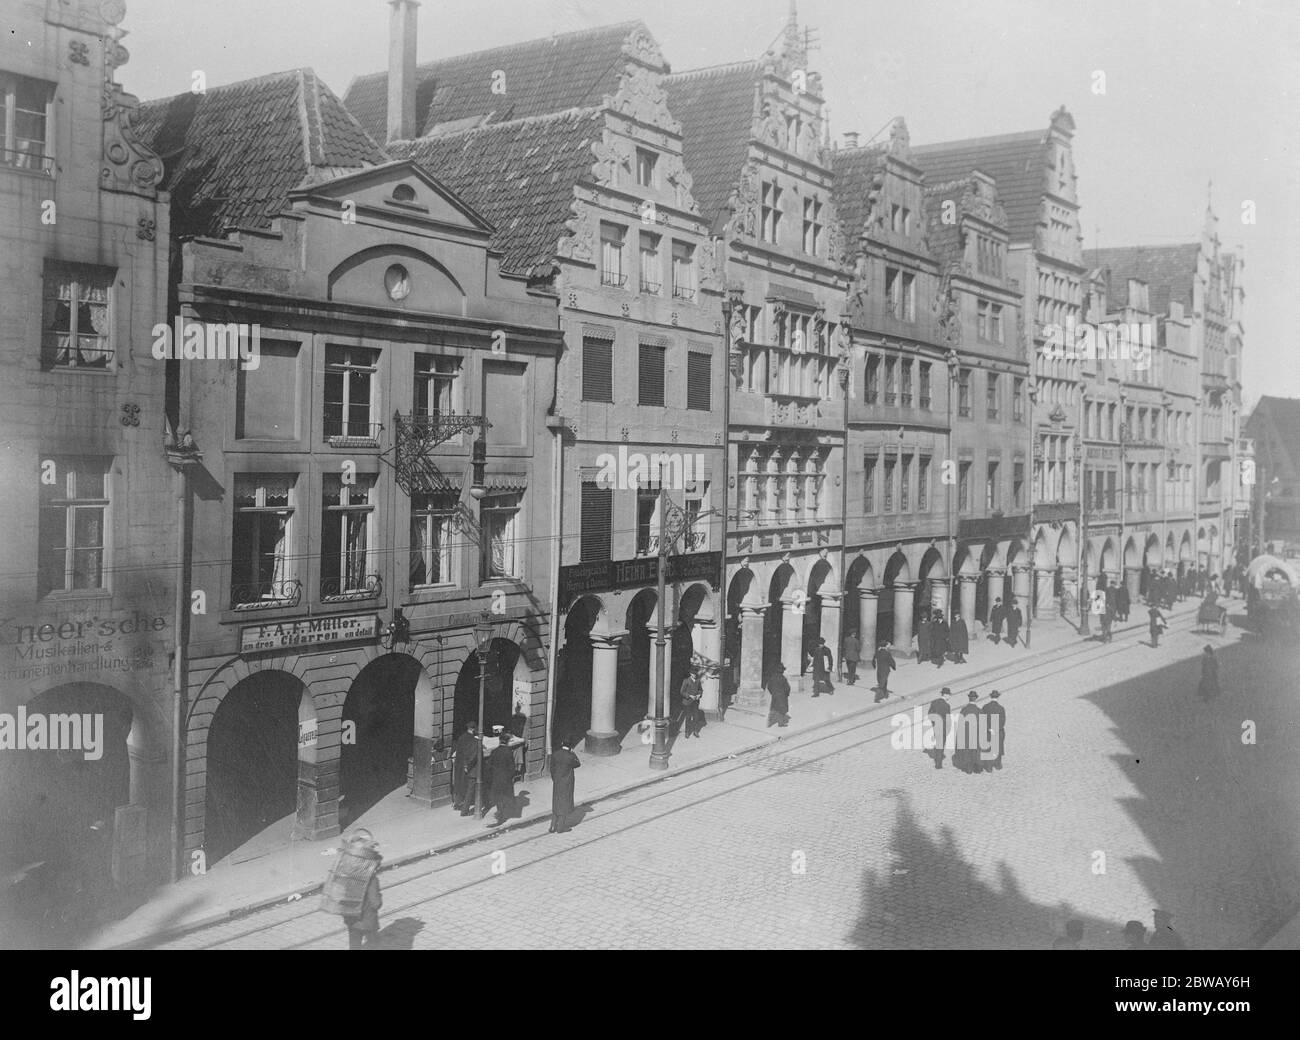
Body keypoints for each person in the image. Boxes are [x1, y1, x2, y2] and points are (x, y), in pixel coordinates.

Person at [321, 829, 383, 950]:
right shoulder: (371, 879)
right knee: (375, 944)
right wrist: (379, 899)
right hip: (367, 922)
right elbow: (376, 903)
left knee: (354, 946)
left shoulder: (347, 873)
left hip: (351, 919)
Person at [548, 740, 581, 834]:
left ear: (562, 744)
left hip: (557, 782)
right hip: (567, 783)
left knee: (556, 802)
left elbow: (552, 768)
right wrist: (573, 753)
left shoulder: (555, 754)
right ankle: (560, 827)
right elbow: (578, 764)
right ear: (570, 746)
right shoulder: (570, 756)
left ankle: (553, 826)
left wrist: (555, 779)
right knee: (564, 803)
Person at [487, 729, 517, 826]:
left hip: (496, 778)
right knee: (504, 796)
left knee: (498, 796)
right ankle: (502, 815)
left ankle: (499, 812)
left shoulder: (494, 751)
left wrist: (492, 775)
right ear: (507, 742)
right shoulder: (509, 752)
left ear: (500, 741)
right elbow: (512, 766)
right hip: (506, 778)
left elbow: (489, 765)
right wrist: (511, 776)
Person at [452, 723, 481, 817]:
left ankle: (457, 803)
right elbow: (472, 754)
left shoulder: (461, 737)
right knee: (467, 785)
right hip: (467, 765)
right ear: (473, 729)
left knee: (458, 783)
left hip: (459, 763)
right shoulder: (472, 739)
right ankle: (464, 805)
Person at [953, 692, 982, 773]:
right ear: (976, 699)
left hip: (966, 735)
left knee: (967, 750)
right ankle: (977, 768)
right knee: (976, 750)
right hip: (976, 734)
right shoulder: (979, 711)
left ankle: (969, 768)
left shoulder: (964, 710)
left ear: (969, 698)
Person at [927, 687, 952, 769]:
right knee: (941, 745)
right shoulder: (947, 705)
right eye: (949, 695)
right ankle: (938, 764)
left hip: (936, 727)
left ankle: (938, 760)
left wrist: (934, 724)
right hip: (943, 728)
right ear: (945, 695)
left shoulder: (934, 702)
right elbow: (948, 720)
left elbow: (930, 715)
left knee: (938, 744)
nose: (949, 697)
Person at [981, 689, 1006, 771]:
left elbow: (983, 720)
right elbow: (1003, 721)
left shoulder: (985, 707)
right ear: (998, 697)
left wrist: (989, 728)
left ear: (990, 697)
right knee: (998, 747)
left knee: (988, 749)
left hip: (987, 732)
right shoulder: (1001, 708)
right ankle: (998, 765)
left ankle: (988, 767)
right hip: (998, 731)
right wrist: (996, 729)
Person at [678, 666, 704, 737]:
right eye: (693, 674)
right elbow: (682, 692)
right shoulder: (686, 681)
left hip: (695, 702)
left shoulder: (698, 681)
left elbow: (700, 690)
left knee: (696, 717)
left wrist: (699, 695)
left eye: (695, 674)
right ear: (690, 674)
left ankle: (696, 731)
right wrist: (689, 696)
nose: (695, 675)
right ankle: (687, 732)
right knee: (688, 717)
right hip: (687, 702)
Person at [767, 662, 791, 728]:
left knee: (774, 709)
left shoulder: (772, 678)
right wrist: (786, 694)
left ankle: (770, 722)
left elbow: (769, 686)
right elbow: (787, 688)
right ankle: (781, 723)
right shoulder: (783, 678)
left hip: (775, 696)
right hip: (782, 697)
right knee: (782, 710)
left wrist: (773, 693)